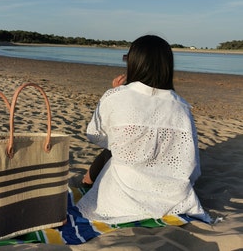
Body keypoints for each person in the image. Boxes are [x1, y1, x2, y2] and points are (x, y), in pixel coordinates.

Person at [77, 34, 210, 224]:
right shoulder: (181, 107)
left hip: (121, 199)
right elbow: (193, 167)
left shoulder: (116, 97)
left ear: (134, 64)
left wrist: (115, 93)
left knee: (116, 148)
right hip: (172, 200)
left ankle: (88, 180)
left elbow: (96, 134)